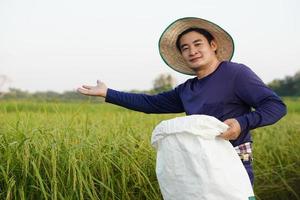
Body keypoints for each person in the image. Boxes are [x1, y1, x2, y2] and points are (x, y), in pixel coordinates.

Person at [77, 17, 287, 186]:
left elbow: (275, 106)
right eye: (185, 48)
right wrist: (108, 93)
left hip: (233, 163)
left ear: (213, 45)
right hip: (199, 164)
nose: (192, 51)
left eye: (197, 44)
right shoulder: (187, 89)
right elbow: (151, 104)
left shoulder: (235, 73)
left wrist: (241, 123)